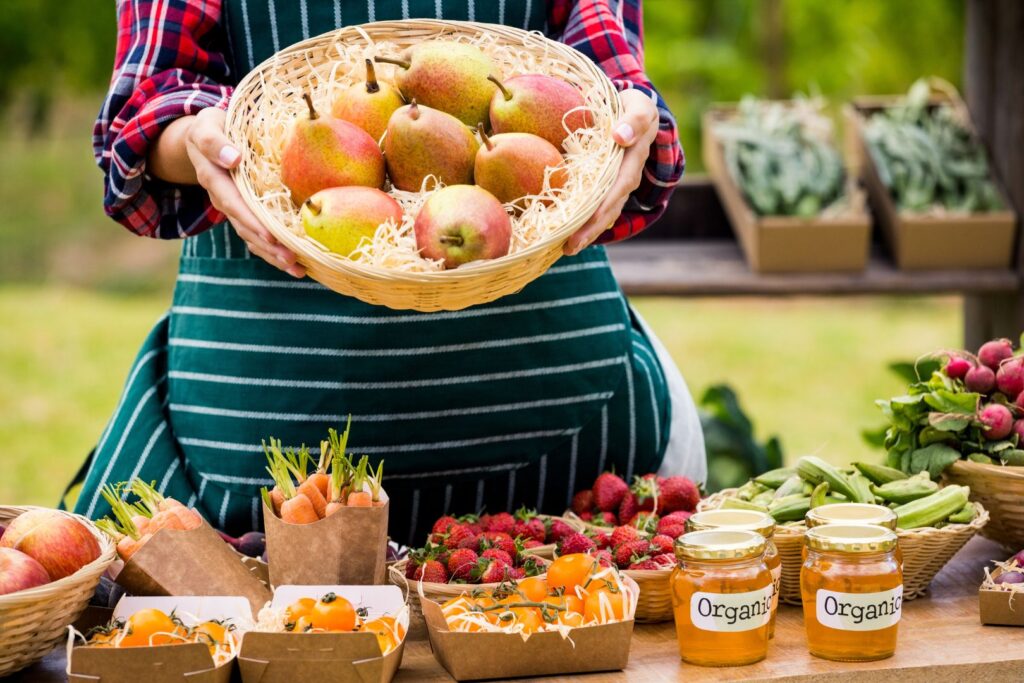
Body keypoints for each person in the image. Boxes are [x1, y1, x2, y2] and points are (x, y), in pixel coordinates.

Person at [70, 0, 704, 544]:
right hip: (275, 434)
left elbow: (605, 77)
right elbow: (146, 113)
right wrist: (204, 143)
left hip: (561, 426)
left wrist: (629, 125)